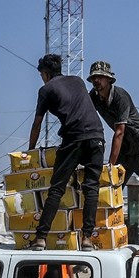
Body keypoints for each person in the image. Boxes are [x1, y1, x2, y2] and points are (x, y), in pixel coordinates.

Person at [27, 54, 104, 251]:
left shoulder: (46, 89)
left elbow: (37, 124)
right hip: (97, 135)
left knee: (57, 189)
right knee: (91, 188)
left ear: (45, 74)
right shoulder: (77, 81)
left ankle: (40, 238)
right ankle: (87, 238)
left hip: (74, 138)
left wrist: (30, 152)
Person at [85, 61, 139, 232]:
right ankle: (106, 229)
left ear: (109, 80)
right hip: (127, 151)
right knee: (112, 189)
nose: (97, 80)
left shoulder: (120, 96)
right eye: (94, 77)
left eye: (100, 77)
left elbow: (119, 132)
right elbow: (85, 115)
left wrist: (111, 166)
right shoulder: (94, 98)